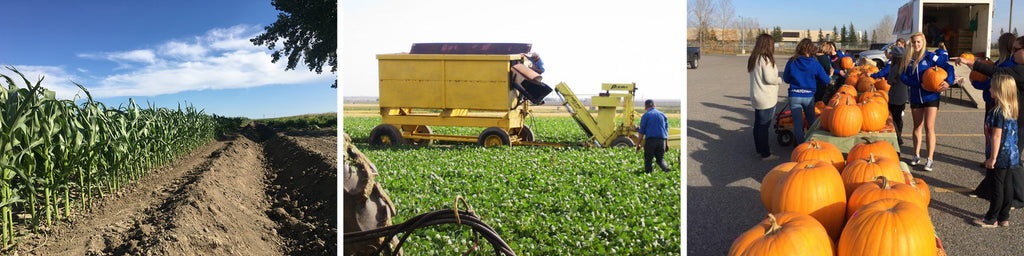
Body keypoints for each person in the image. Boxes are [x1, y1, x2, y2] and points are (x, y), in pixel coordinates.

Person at [901, 32, 954, 171]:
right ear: (911, 44)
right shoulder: (907, 58)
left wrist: (948, 82)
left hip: (931, 97)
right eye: (914, 42)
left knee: (929, 127)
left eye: (918, 42)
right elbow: (903, 77)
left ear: (923, 42)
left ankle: (930, 159)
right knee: (917, 126)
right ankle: (916, 154)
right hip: (915, 97)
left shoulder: (931, 56)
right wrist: (919, 85)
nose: (916, 45)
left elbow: (949, 67)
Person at [973, 73, 1021, 228]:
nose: (990, 88)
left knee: (997, 187)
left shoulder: (997, 112)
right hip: (1011, 155)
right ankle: (1004, 217)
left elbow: (996, 136)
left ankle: (991, 218)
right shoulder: (1011, 110)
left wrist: (992, 158)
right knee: (1007, 185)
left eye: (992, 86)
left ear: (1000, 91)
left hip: (999, 155)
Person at [783, 38, 830, 145]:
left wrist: (796, 79)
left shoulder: (792, 61)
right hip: (808, 96)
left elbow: (786, 78)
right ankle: (813, 144)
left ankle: (801, 146)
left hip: (794, 95)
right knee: (812, 122)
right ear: (811, 50)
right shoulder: (815, 63)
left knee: (797, 124)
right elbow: (825, 80)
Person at [748, 34, 785, 161]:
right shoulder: (766, 59)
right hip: (766, 97)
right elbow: (770, 79)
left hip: (757, 95)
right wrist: (780, 80)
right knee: (764, 126)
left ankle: (760, 149)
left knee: (758, 125)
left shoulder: (755, 58)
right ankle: (765, 154)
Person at [871, 46, 909, 145]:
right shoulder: (906, 66)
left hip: (895, 95)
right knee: (899, 117)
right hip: (904, 95)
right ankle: (899, 134)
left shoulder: (895, 67)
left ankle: (898, 137)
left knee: (893, 117)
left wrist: (892, 80)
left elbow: (889, 81)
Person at [637, 99, 670, 173]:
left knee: (648, 160)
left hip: (651, 141)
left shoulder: (646, 116)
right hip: (662, 141)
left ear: (645, 107)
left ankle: (649, 175)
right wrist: (666, 144)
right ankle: (666, 169)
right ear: (654, 105)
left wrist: (638, 144)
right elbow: (666, 131)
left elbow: (641, 132)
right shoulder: (663, 115)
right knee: (660, 159)